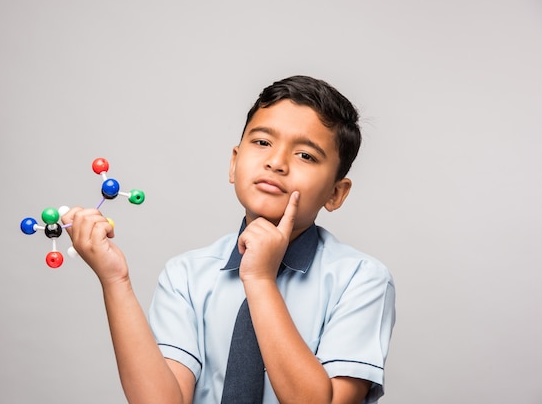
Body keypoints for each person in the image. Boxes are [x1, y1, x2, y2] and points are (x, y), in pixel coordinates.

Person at [62, 75, 396, 404]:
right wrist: (114, 280)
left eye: (305, 155)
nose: (276, 162)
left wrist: (261, 278)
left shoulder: (361, 280)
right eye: (263, 142)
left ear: (336, 193)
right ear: (234, 163)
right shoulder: (186, 276)